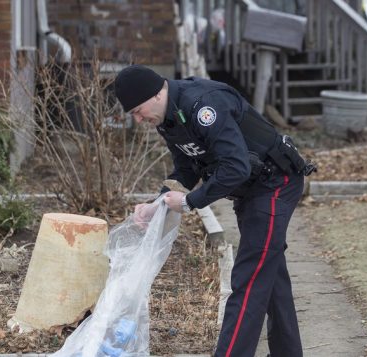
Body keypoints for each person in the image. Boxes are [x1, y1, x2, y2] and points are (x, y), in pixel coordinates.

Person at [114, 64, 315, 357]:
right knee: (268, 273)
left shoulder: (203, 106)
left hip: (274, 184)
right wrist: (155, 205)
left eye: (138, 109)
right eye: (132, 113)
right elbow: (185, 168)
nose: (138, 118)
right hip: (249, 190)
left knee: (249, 280)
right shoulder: (167, 119)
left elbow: (235, 166)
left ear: (157, 93)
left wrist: (189, 202)